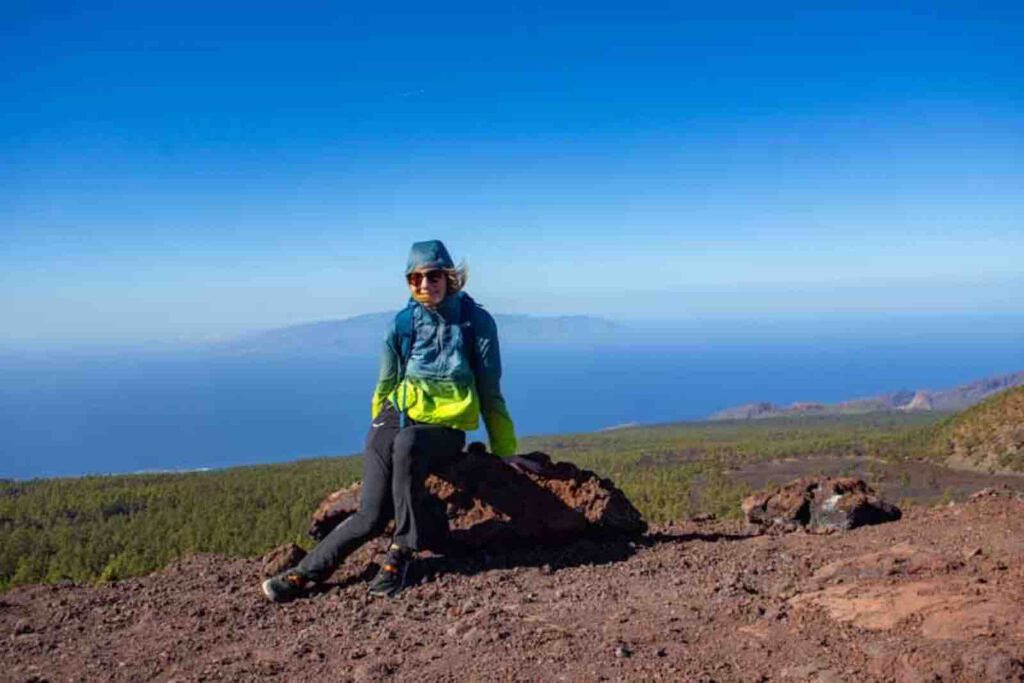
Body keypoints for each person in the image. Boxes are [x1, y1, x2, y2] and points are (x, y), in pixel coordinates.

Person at [262, 240, 517, 601]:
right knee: (371, 514)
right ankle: (304, 574)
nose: (424, 285)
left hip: (444, 429)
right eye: (415, 278)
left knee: (408, 445)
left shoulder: (475, 323)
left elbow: (490, 390)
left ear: (449, 276)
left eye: (432, 276)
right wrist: (380, 427)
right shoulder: (402, 324)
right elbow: (386, 384)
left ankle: (403, 551)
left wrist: (505, 450)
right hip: (395, 417)